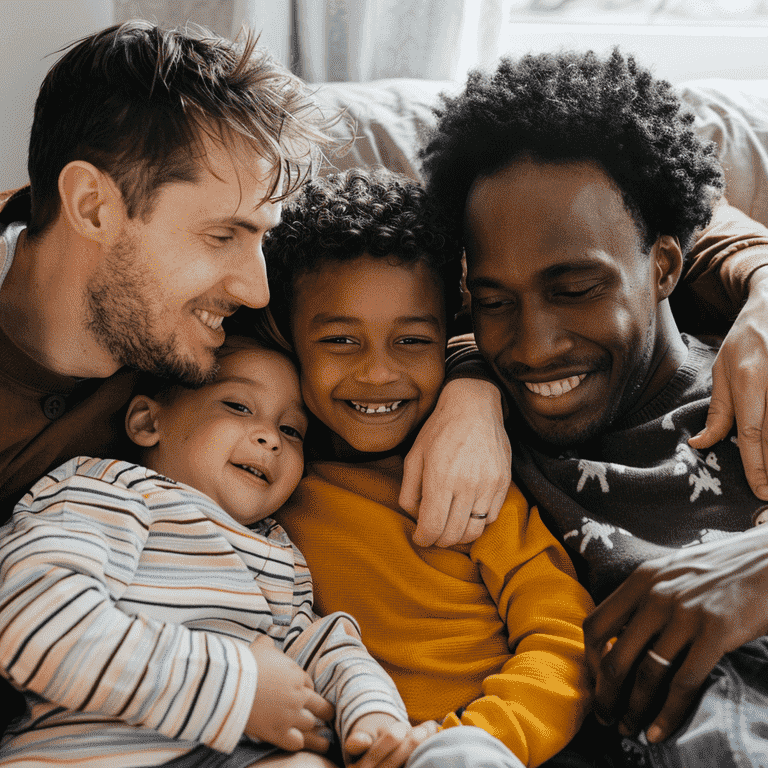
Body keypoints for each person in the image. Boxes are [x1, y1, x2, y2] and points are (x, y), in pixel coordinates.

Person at [0, 19, 512, 553]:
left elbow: (443, 311)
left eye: (261, 239)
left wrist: (473, 395)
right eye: (222, 235)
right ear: (92, 206)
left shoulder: (207, 321)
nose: (256, 290)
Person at [420, 49, 768, 766]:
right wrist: (463, 374)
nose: (533, 346)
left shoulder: (754, 372)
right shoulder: (462, 424)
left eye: (575, 289)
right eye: (494, 302)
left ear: (665, 265)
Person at [260, 167, 596, 768]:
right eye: (341, 341)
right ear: (285, 335)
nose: (379, 373)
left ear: (450, 332)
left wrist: (471, 737)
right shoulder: (263, 479)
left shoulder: (468, 480)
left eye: (411, 341)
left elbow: (566, 640)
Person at [0, 333, 453, 768]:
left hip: (235, 753)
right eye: (238, 406)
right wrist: (238, 689)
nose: (270, 438)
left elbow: (326, 649)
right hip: (88, 750)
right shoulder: (107, 490)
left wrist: (373, 719)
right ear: (148, 422)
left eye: (292, 430)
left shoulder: (279, 553)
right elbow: (31, 619)